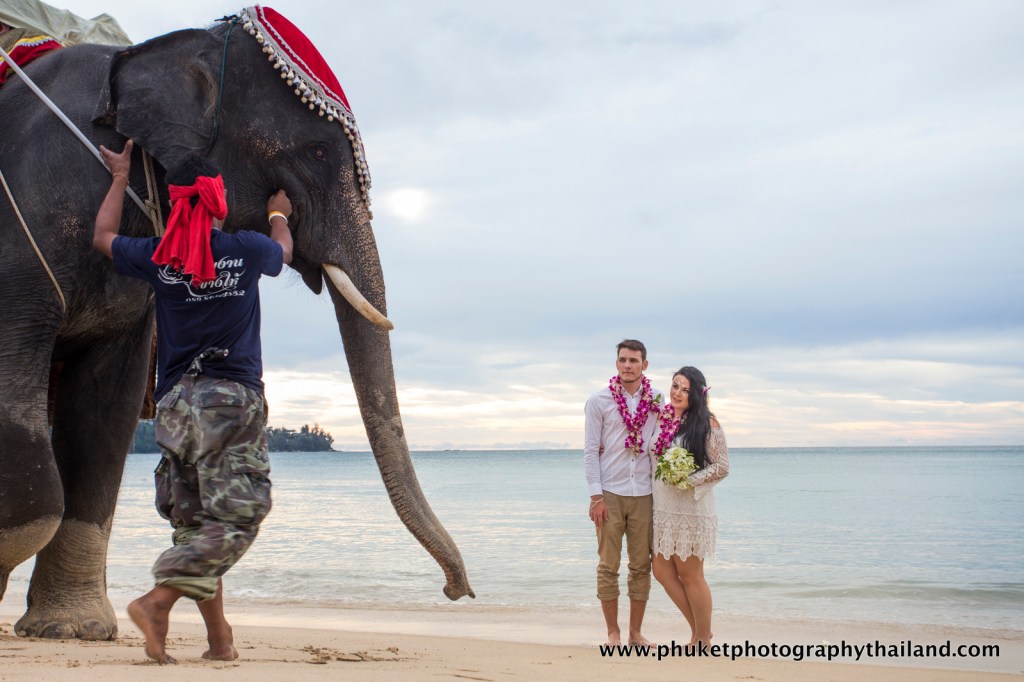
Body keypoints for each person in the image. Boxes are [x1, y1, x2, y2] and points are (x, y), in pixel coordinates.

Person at [92, 140, 293, 664]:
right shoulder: (247, 248)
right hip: (229, 399)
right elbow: (285, 253)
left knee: (196, 523)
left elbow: (103, 237)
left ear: (176, 202)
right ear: (218, 200)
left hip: (175, 404)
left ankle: (219, 640)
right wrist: (278, 215)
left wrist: (120, 178)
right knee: (242, 514)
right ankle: (156, 601)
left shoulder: (159, 257)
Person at [584, 339, 663, 646]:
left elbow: (667, 435)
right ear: (616, 363)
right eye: (623, 360)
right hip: (610, 494)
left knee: (641, 566)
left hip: (645, 493)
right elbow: (591, 450)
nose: (627, 365)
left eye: (633, 360)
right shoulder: (599, 400)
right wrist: (596, 497)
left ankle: (635, 633)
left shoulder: (656, 400)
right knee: (608, 566)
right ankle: (612, 633)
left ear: (645, 364)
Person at [648, 366, 729, 648]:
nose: (678, 393)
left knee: (690, 575)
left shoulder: (707, 423)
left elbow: (722, 466)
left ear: (697, 394)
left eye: (685, 389)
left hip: (691, 510)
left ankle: (702, 639)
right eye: (675, 386)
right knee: (661, 571)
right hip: (662, 508)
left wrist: (687, 479)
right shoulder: (662, 418)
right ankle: (700, 631)